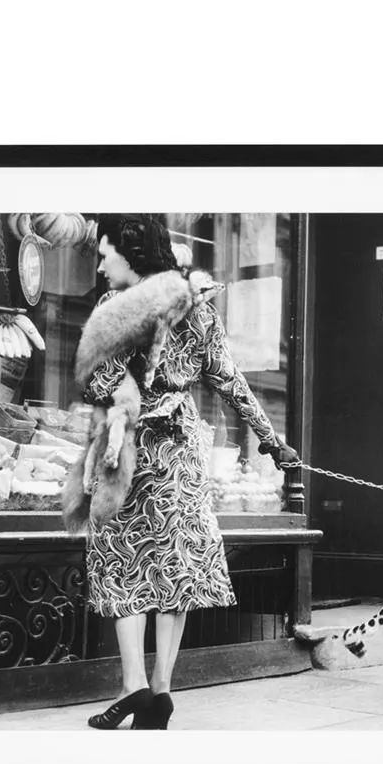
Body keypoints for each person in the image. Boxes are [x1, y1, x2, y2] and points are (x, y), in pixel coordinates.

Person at [82, 214, 299, 730]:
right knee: (174, 567)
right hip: (179, 451)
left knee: (122, 563)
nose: (101, 266)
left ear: (131, 254)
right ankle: (160, 691)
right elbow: (231, 381)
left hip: (128, 451)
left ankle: (133, 686)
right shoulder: (199, 310)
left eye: (105, 255)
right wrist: (271, 441)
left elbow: (100, 385)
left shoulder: (114, 307)